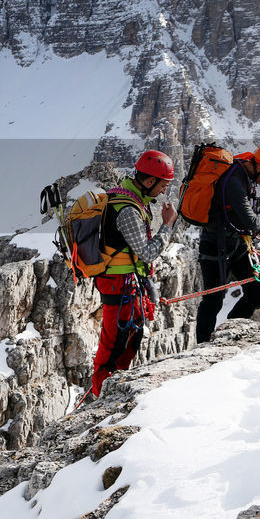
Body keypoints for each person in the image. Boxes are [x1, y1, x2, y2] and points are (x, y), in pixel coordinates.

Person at [88, 150, 178, 397]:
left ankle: (114, 385)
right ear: (149, 181)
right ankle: (101, 395)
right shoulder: (128, 209)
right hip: (119, 283)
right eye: (163, 185)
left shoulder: (128, 197)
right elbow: (147, 253)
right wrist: (167, 225)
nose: (163, 191)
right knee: (113, 344)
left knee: (131, 335)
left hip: (125, 282)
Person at [195, 141, 260, 343]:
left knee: (257, 293)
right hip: (215, 245)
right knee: (213, 300)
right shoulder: (234, 181)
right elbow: (252, 222)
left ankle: (229, 332)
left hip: (236, 243)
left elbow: (240, 214)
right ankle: (203, 345)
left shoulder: (244, 174)